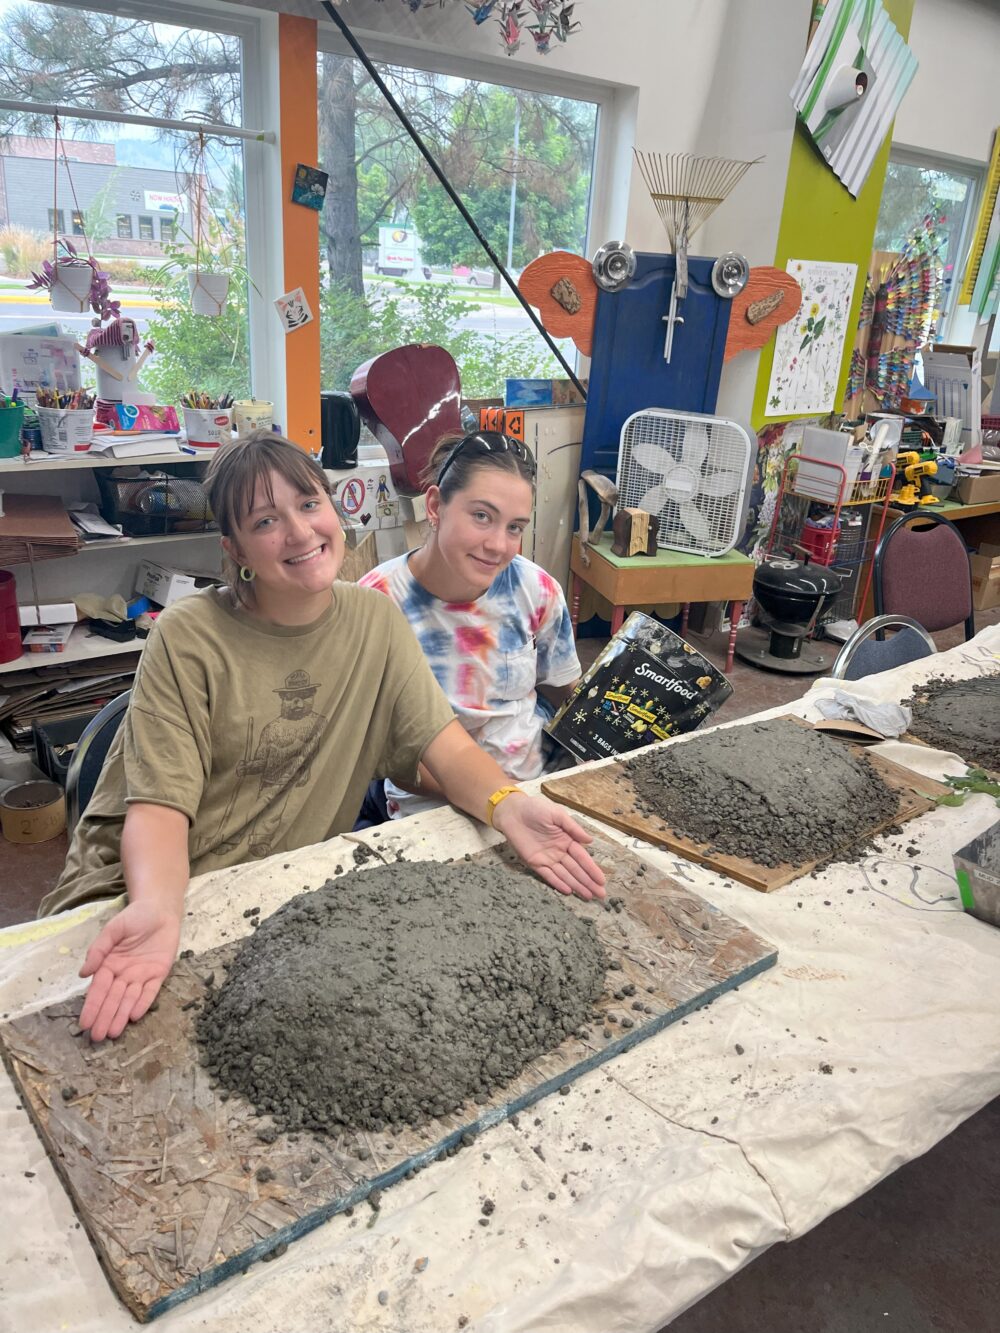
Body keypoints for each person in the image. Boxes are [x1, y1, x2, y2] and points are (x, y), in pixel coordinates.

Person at [39, 432, 605, 1043]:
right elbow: (159, 805)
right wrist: (156, 907)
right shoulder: (187, 636)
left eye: (310, 505)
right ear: (235, 548)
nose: (301, 533)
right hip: (152, 889)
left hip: (280, 888)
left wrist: (510, 807)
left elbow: (443, 744)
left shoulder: (373, 620)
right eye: (266, 519)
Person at [359, 431, 580, 819]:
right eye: (482, 516)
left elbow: (564, 691)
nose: (498, 545)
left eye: (514, 527)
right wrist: (497, 801)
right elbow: (388, 754)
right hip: (432, 808)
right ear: (435, 506)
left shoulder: (537, 590)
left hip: (537, 789)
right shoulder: (375, 605)